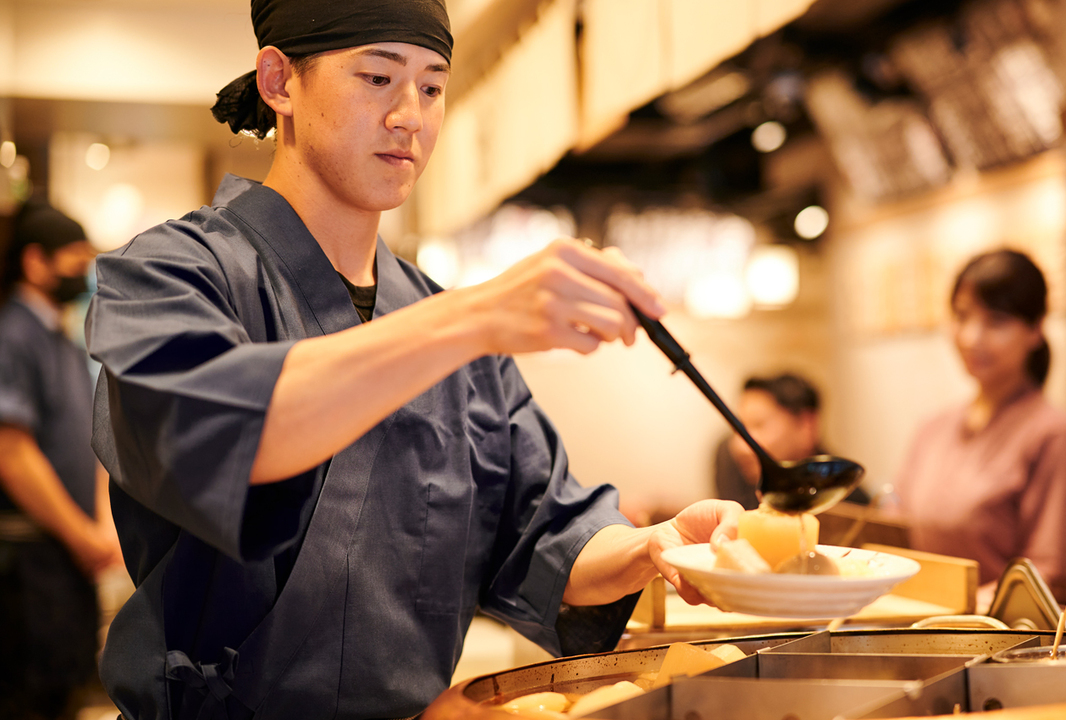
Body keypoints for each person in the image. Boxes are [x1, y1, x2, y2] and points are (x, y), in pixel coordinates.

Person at [86, 2, 739, 719]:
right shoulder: (167, 276)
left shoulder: (445, 324)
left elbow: (548, 534)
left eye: (432, 87)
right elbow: (228, 435)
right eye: (376, 77)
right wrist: (473, 316)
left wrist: (653, 547)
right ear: (279, 82)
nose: (411, 116)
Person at [891, 249, 1066, 603]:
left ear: (1036, 329)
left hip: (1009, 642)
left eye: (996, 321)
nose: (972, 337)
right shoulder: (933, 428)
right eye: (962, 317)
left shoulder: (1054, 434)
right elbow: (896, 526)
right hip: (924, 625)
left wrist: (957, 607)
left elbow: (1045, 573)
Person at [0, 201, 123, 719]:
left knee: (64, 694)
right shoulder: (13, 335)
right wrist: (81, 534)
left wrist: (102, 530)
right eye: (75, 258)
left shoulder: (66, 342)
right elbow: (12, 451)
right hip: (26, 567)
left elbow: (90, 441)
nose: (85, 270)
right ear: (35, 262)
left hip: (70, 562)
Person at [714, 372, 870, 509]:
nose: (740, 447)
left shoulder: (849, 500)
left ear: (806, 427)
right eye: (738, 428)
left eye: (759, 425)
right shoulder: (731, 465)